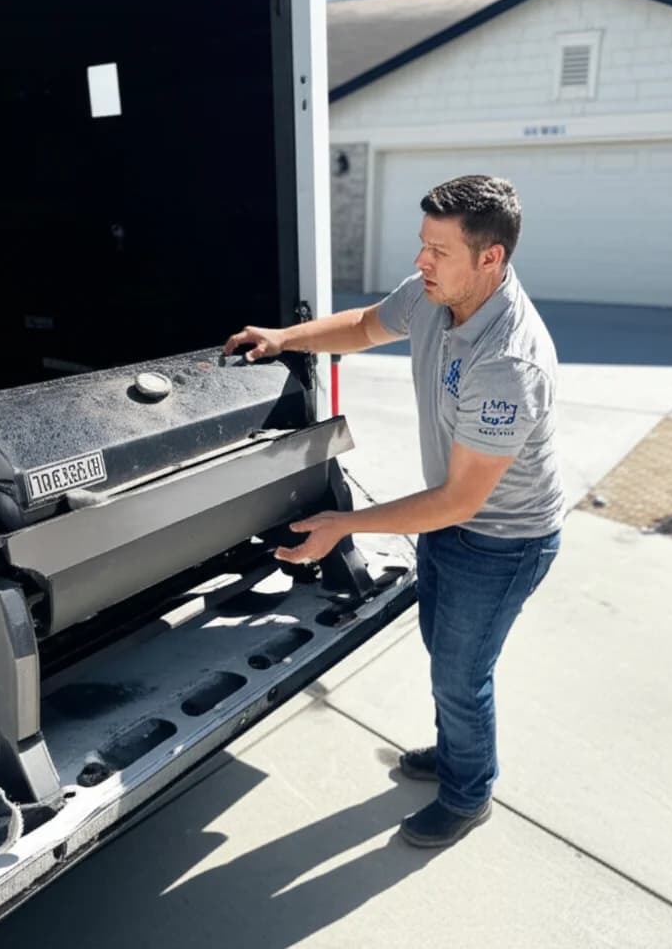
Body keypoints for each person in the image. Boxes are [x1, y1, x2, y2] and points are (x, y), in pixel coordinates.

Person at [224, 175, 564, 850]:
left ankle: (469, 793)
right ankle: (458, 751)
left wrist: (341, 526)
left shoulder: (508, 362)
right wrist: (286, 337)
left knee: (462, 673)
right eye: (422, 246)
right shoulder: (438, 295)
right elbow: (364, 324)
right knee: (446, 654)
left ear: (490, 258)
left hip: (503, 539)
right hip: (452, 526)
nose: (420, 263)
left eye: (438, 251)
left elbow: (460, 500)